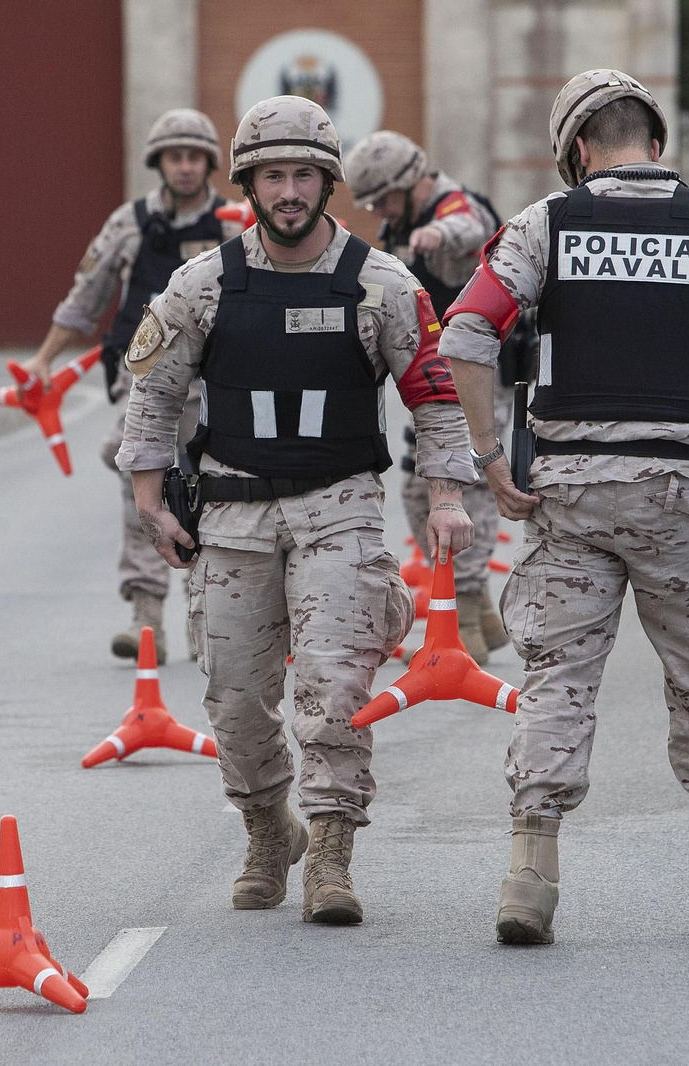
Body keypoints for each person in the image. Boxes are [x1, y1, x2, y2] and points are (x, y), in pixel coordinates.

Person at [438, 69, 689, 944]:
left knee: (556, 682)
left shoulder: (542, 225)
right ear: (657, 143)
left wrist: (490, 456)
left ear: (575, 151)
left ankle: (529, 881)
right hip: (686, 498)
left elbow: (464, 333)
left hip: (569, 496)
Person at [117, 96, 478, 924]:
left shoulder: (383, 286)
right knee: (236, 701)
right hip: (232, 517)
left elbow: (433, 394)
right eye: (273, 175)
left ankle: (331, 853)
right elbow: (155, 393)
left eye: (304, 176)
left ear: (329, 184)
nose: (289, 191)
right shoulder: (203, 286)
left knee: (335, 689)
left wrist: (448, 496)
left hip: (340, 511)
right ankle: (266, 830)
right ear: (247, 182)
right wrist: (149, 501)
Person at [18, 109, 239, 663]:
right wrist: (45, 359)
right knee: (138, 479)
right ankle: (145, 617)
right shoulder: (131, 224)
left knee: (212, 488)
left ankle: (203, 612)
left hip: (216, 384)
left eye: (194, 157)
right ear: (159, 164)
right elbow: (85, 296)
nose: (185, 168)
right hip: (143, 379)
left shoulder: (235, 222)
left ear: (209, 163)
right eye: (174, 157)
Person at [347, 130, 509, 663]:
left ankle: (465, 613)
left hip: (477, 372)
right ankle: (479, 604)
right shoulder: (399, 225)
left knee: (469, 487)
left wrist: (438, 234)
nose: (379, 211)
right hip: (437, 379)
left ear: (410, 183)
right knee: (421, 492)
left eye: (383, 199)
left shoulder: (449, 205)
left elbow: (471, 227)